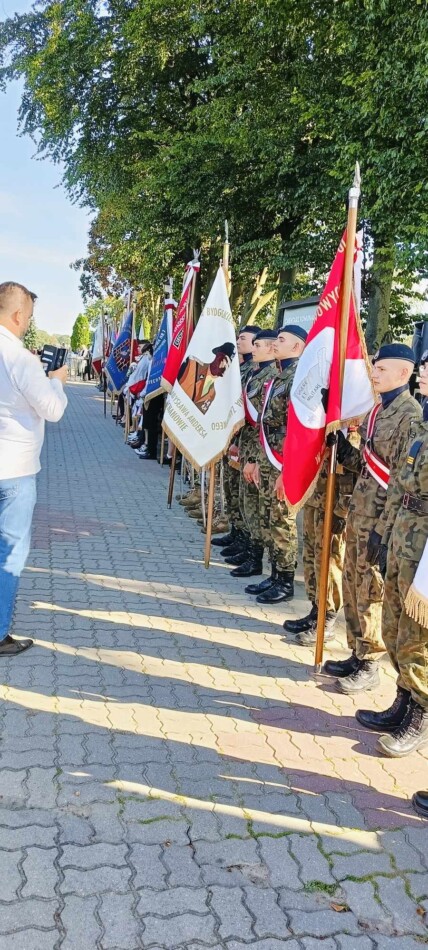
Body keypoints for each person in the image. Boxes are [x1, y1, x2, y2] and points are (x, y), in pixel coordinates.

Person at [324, 343, 421, 692]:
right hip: (360, 512)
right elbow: (364, 464)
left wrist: (384, 529)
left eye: (381, 369)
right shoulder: (377, 410)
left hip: (382, 517)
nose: (374, 374)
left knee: (370, 589)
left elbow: (401, 478)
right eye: (374, 368)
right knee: (353, 582)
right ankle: (356, 650)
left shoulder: (409, 416)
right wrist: (342, 449)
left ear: (403, 373)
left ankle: (370, 661)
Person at [356, 350, 428, 757]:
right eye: (423, 366)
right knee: (396, 625)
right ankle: (404, 701)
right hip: (404, 533)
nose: (423, 372)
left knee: (419, 635)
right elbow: (400, 485)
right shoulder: (423, 425)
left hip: (425, 545)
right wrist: (383, 535)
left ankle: (421, 714)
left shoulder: (414, 416)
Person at [0, 281, 68, 655]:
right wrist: (56, 383)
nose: (28, 323)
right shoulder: (20, 359)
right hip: (13, 471)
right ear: (16, 315)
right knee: (9, 554)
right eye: (27, 316)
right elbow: (52, 410)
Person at [245, 324, 307, 604]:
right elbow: (265, 424)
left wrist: (287, 469)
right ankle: (274, 574)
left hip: (283, 459)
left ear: (297, 346)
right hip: (269, 456)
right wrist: (259, 460)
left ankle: (285, 580)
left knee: (283, 521)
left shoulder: (298, 378)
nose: (274, 345)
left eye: (281, 340)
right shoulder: (280, 377)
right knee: (270, 518)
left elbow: (296, 429)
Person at [229, 329, 278, 578]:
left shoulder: (273, 375)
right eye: (254, 344)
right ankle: (247, 547)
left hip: (262, 451)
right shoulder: (255, 372)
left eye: (258, 344)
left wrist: (254, 458)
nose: (254, 348)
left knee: (260, 509)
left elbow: (265, 422)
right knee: (246, 502)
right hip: (249, 445)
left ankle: (258, 559)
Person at [213, 325, 260, 552]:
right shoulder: (241, 369)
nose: (238, 341)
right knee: (232, 489)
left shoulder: (256, 371)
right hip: (236, 439)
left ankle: (246, 542)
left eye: (244, 338)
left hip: (248, 442)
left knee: (245, 494)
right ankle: (236, 532)